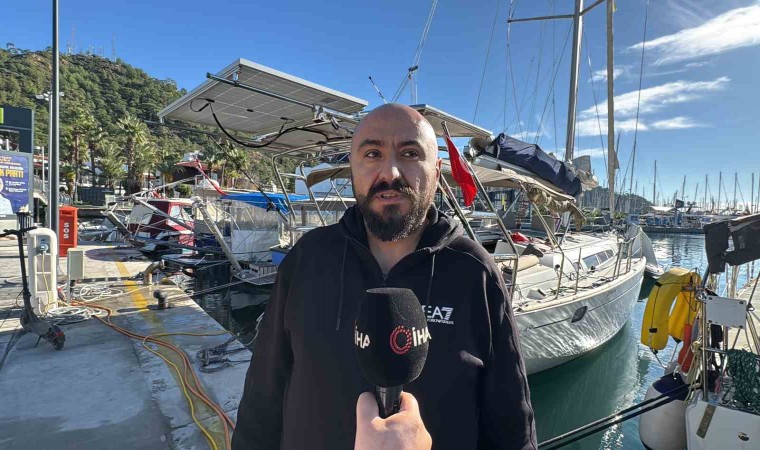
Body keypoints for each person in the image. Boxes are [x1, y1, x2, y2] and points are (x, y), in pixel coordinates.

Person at [232, 104, 536, 450]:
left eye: (410, 153)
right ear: (353, 168)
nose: (390, 172)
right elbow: (263, 397)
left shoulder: (475, 272)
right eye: (372, 154)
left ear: (437, 172)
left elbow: (512, 429)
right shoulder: (307, 258)